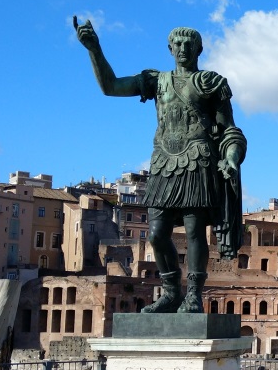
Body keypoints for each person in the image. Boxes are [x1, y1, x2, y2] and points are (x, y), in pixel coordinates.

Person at [74, 17, 247, 313]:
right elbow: (111, 86)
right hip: (164, 163)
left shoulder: (210, 83)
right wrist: (94, 49)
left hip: (197, 160)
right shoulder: (157, 81)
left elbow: (229, 129)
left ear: (199, 49)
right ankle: (170, 292)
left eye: (189, 44)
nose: (183, 48)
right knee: (156, 233)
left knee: (194, 231)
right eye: (177, 44)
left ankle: (194, 294)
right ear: (170, 49)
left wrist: (231, 157)